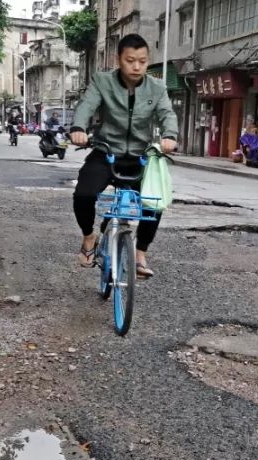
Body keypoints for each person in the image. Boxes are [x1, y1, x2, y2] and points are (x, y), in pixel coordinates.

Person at [69, 34, 178, 278]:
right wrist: (78, 128)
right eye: (130, 60)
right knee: (83, 194)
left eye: (142, 60)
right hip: (106, 152)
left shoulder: (157, 87)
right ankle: (89, 237)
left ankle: (140, 255)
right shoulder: (102, 81)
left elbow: (167, 114)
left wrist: (170, 135)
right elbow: (87, 106)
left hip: (140, 156)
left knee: (154, 202)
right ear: (118, 59)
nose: (137, 66)